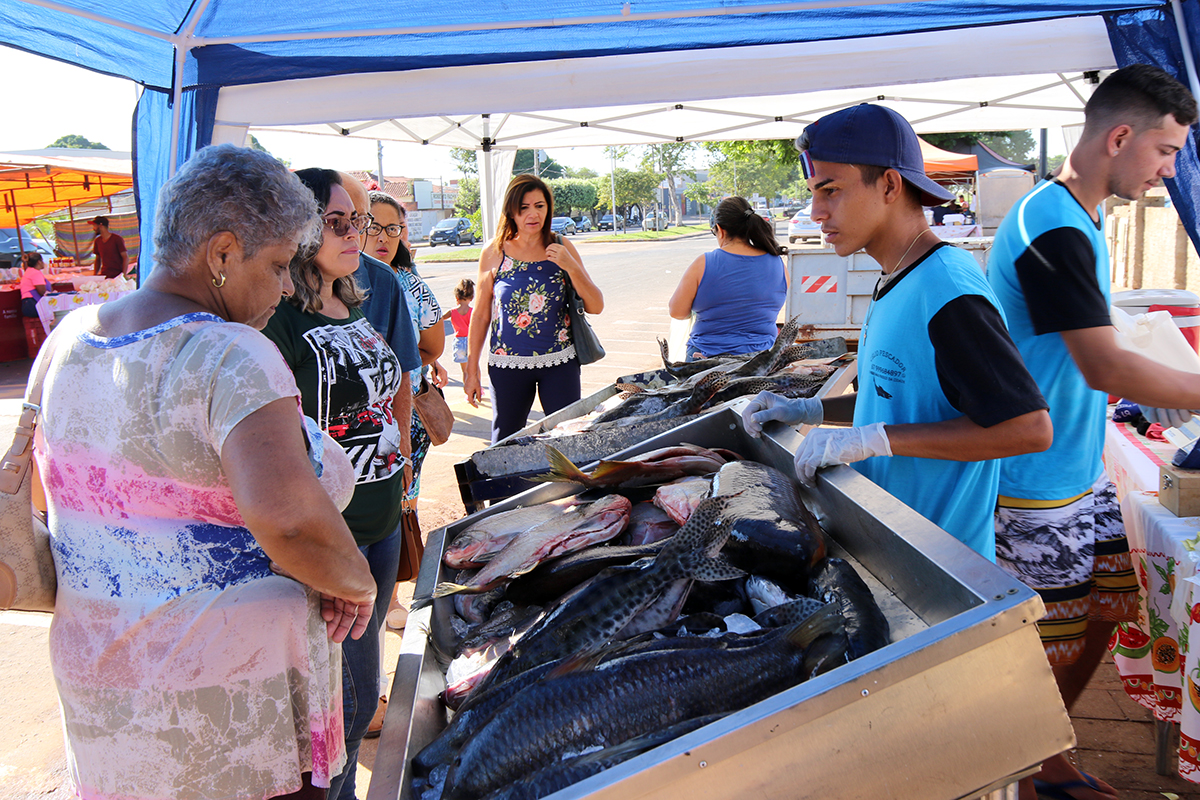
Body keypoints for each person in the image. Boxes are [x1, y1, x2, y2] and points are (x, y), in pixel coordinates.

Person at [32, 143, 375, 800]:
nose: (283, 287)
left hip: (107, 700)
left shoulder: (67, 341)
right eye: (276, 265)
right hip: (230, 720)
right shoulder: (228, 354)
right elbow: (290, 523)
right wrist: (354, 582)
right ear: (221, 254)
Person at [987, 64, 1198, 800]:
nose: (1171, 170)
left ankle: (1045, 754)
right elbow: (1103, 363)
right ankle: (1025, 770)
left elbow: (1093, 340)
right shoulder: (1052, 227)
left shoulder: (1080, 214)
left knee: (1108, 613)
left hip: (1077, 463)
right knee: (1048, 645)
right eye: (1167, 152)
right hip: (1034, 480)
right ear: (1119, 136)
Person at [743, 102, 1052, 561]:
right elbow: (892, 404)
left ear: (889, 184)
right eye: (813, 191)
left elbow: (1027, 429)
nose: (816, 211)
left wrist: (875, 441)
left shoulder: (946, 288)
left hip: (945, 565)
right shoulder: (893, 276)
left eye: (830, 190)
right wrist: (807, 409)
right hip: (893, 545)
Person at [260, 168, 412, 800]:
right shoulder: (278, 322)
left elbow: (395, 384)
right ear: (296, 231)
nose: (358, 232)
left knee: (359, 681)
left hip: (378, 522)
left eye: (362, 221)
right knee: (340, 708)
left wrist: (401, 477)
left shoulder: (351, 299)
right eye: (338, 221)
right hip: (331, 538)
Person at [464, 174, 604, 443]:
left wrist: (570, 265)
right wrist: (472, 370)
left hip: (559, 363)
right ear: (511, 211)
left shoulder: (561, 246)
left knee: (566, 440)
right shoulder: (494, 252)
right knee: (505, 442)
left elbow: (596, 305)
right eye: (524, 207)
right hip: (507, 365)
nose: (533, 214)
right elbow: (481, 314)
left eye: (540, 206)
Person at [668, 195, 787, 361]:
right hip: (761, 362)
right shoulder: (778, 264)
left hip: (706, 361)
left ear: (720, 229)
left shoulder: (704, 263)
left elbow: (677, 312)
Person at [443, 278, 475, 381]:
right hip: (471, 342)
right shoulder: (472, 312)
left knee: (464, 370)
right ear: (472, 297)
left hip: (459, 341)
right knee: (474, 369)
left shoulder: (452, 311)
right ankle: (477, 391)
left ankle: (467, 392)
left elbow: (440, 319)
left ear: (457, 297)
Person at [89, 215, 130, 279]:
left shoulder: (117, 239)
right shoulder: (97, 241)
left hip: (117, 275)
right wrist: (95, 274)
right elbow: (98, 259)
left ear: (100, 225)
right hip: (105, 275)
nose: (93, 229)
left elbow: (125, 257)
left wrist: (123, 275)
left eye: (94, 226)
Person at [19, 251, 48, 317]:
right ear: (39, 262)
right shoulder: (35, 273)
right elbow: (42, 291)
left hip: (27, 304)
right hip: (32, 304)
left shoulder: (29, 271)